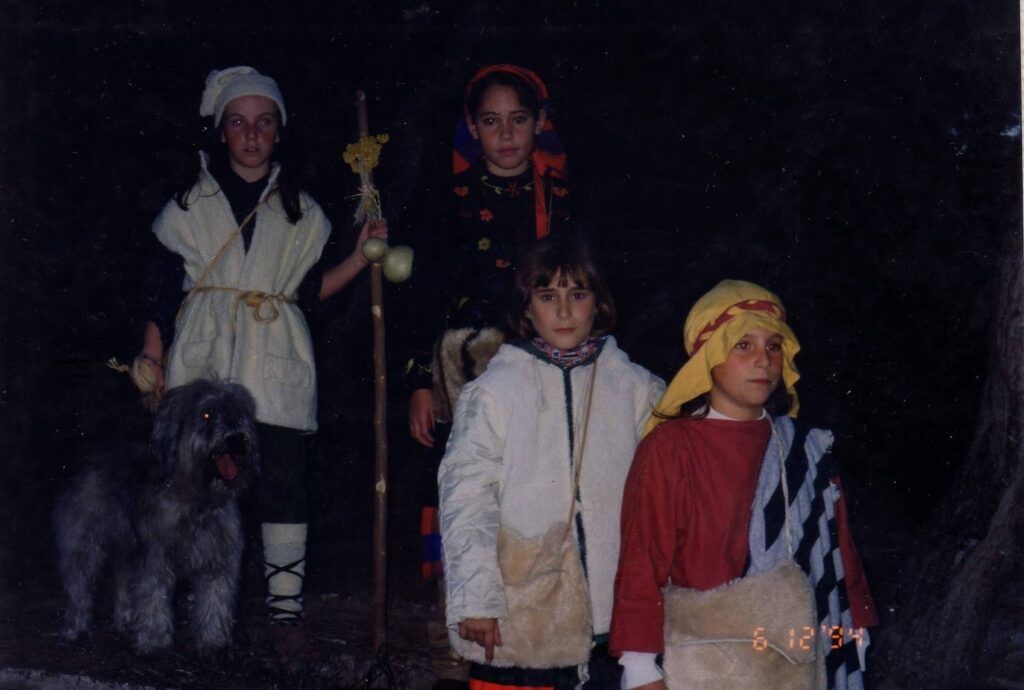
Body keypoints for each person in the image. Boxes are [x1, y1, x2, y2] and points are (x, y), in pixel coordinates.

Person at [137, 66, 386, 655]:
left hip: (276, 357)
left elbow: (309, 292)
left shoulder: (301, 211)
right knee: (190, 485)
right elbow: (161, 287)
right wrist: (152, 351)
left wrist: (359, 258)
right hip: (204, 354)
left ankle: (284, 613)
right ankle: (183, 605)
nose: (252, 134)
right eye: (239, 122)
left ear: (280, 130)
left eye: (264, 122)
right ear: (221, 130)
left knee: (283, 482)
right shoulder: (189, 204)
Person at [609, 280, 879, 690]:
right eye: (743, 345)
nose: (763, 360)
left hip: (794, 660)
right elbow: (642, 562)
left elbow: (839, 553)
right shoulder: (671, 447)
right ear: (708, 356)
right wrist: (641, 667)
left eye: (774, 346)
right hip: (706, 663)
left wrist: (854, 637)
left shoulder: (804, 448)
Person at [404, 64, 571, 688]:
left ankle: (534, 627)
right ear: (472, 128)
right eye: (491, 121)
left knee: (533, 493)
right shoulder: (446, 202)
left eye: (518, 120)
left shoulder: (561, 201)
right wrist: (418, 383)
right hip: (461, 374)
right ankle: (452, 632)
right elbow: (421, 296)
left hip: (539, 370)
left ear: (539, 123)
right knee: (460, 491)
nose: (505, 135)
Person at [438, 236, 665, 690]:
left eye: (577, 295)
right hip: (522, 610)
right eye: (547, 297)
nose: (564, 312)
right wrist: (476, 598)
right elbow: (466, 498)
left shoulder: (637, 389)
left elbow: (664, 500)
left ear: (598, 303)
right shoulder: (494, 391)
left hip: (616, 613)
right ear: (527, 308)